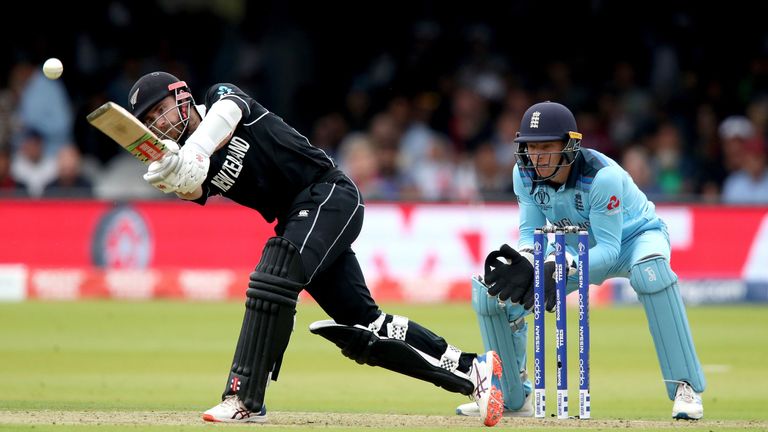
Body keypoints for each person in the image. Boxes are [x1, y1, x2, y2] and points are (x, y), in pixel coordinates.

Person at [127, 71, 504, 426]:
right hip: (298, 218)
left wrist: (193, 152)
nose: (160, 122)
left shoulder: (219, 99)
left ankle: (243, 399)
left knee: (275, 271)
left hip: (328, 194)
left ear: (182, 96)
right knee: (364, 326)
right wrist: (172, 177)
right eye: (151, 119)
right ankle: (473, 370)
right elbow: (194, 188)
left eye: (161, 109)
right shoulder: (194, 161)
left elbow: (227, 115)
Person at [455, 101, 706, 420]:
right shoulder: (524, 173)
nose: (537, 156)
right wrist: (529, 261)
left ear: (570, 145)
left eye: (547, 146)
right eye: (531, 147)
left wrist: (557, 266)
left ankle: (686, 387)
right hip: (573, 250)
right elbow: (531, 231)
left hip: (634, 239)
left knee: (650, 273)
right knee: (494, 296)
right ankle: (513, 397)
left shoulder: (603, 178)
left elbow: (610, 251)